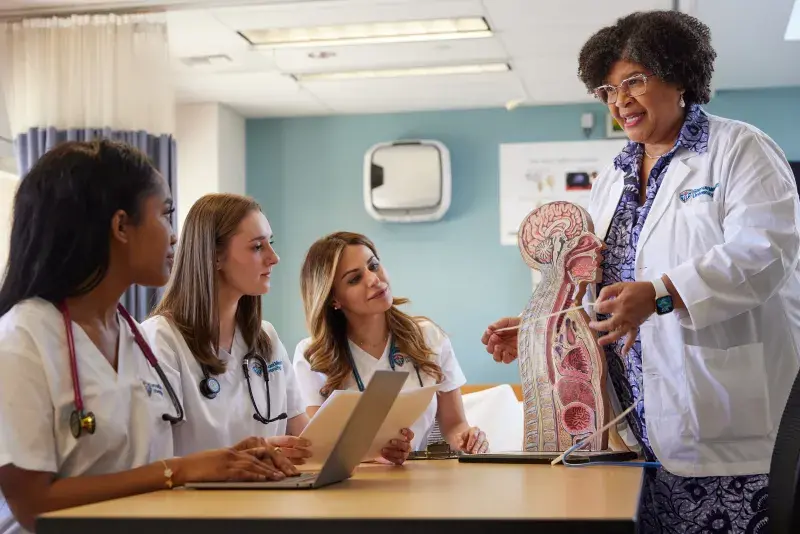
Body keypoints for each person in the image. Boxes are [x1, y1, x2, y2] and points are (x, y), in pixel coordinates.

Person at [482, 10, 800, 534]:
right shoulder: (615, 176)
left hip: (724, 428)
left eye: (635, 81)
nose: (619, 100)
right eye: (608, 89)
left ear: (679, 76)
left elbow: (763, 253)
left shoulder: (739, 149)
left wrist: (662, 294)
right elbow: (604, 289)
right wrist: (544, 330)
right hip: (636, 437)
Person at [0, 140, 296, 534]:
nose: (175, 237)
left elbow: (142, 466)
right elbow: (34, 504)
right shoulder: (22, 341)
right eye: (165, 215)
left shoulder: (131, 338)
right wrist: (180, 470)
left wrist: (222, 461)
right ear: (121, 226)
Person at [141, 193, 312, 465]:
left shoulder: (265, 337)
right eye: (257, 247)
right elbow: (152, 458)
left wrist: (374, 447)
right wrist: (251, 453)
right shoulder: (160, 340)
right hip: (196, 504)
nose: (274, 257)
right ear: (214, 257)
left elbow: (303, 436)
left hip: (270, 500)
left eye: (271, 243)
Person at [293, 231, 489, 461]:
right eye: (354, 279)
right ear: (333, 299)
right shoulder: (313, 357)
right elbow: (323, 445)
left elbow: (454, 424)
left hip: (420, 481)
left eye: (373, 265)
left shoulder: (428, 337)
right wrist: (374, 454)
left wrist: (467, 439)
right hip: (353, 486)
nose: (373, 279)